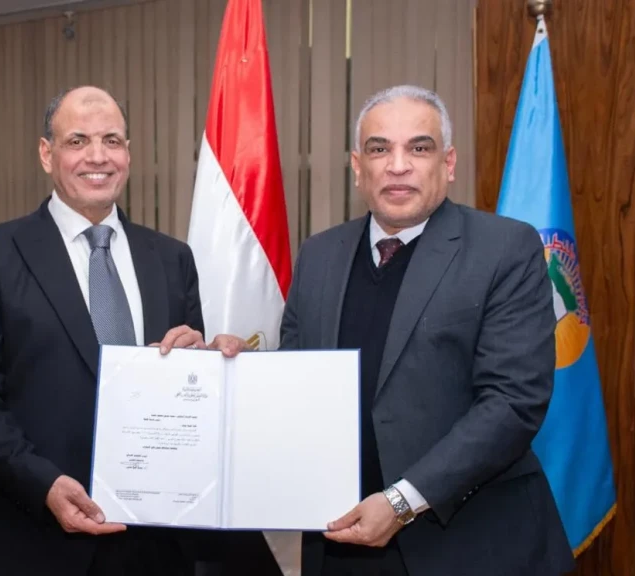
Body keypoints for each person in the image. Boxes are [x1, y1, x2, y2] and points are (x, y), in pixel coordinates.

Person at [220, 85, 575, 575]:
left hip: (470, 544)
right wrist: (231, 368)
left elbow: (513, 402)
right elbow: (298, 378)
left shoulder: (504, 249)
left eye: (419, 148)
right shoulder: (320, 254)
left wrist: (402, 501)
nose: (398, 165)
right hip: (340, 541)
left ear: (448, 163)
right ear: (357, 166)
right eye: (379, 149)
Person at [0, 85, 219, 576]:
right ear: (46, 154)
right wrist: (44, 484)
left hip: (151, 546)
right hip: (30, 536)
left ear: (128, 153)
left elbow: (188, 396)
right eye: (77, 141)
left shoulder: (172, 259)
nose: (97, 156)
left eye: (111, 140)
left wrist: (208, 363)